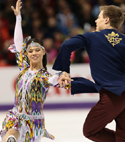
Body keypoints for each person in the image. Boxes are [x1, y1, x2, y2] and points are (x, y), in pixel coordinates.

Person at [53, 5, 125, 142]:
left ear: (106, 20)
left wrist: (65, 71)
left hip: (113, 95)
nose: (95, 21)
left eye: (98, 17)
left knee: (90, 130)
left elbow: (66, 45)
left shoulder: (91, 37)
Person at [0, 0, 72, 142]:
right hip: (16, 117)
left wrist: (62, 77)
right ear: (26, 54)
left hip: (33, 123)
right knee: (10, 134)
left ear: (43, 52)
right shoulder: (23, 68)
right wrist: (18, 18)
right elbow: (19, 43)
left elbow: (54, 80)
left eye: (37, 50)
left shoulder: (44, 76)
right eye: (30, 50)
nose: (33, 53)